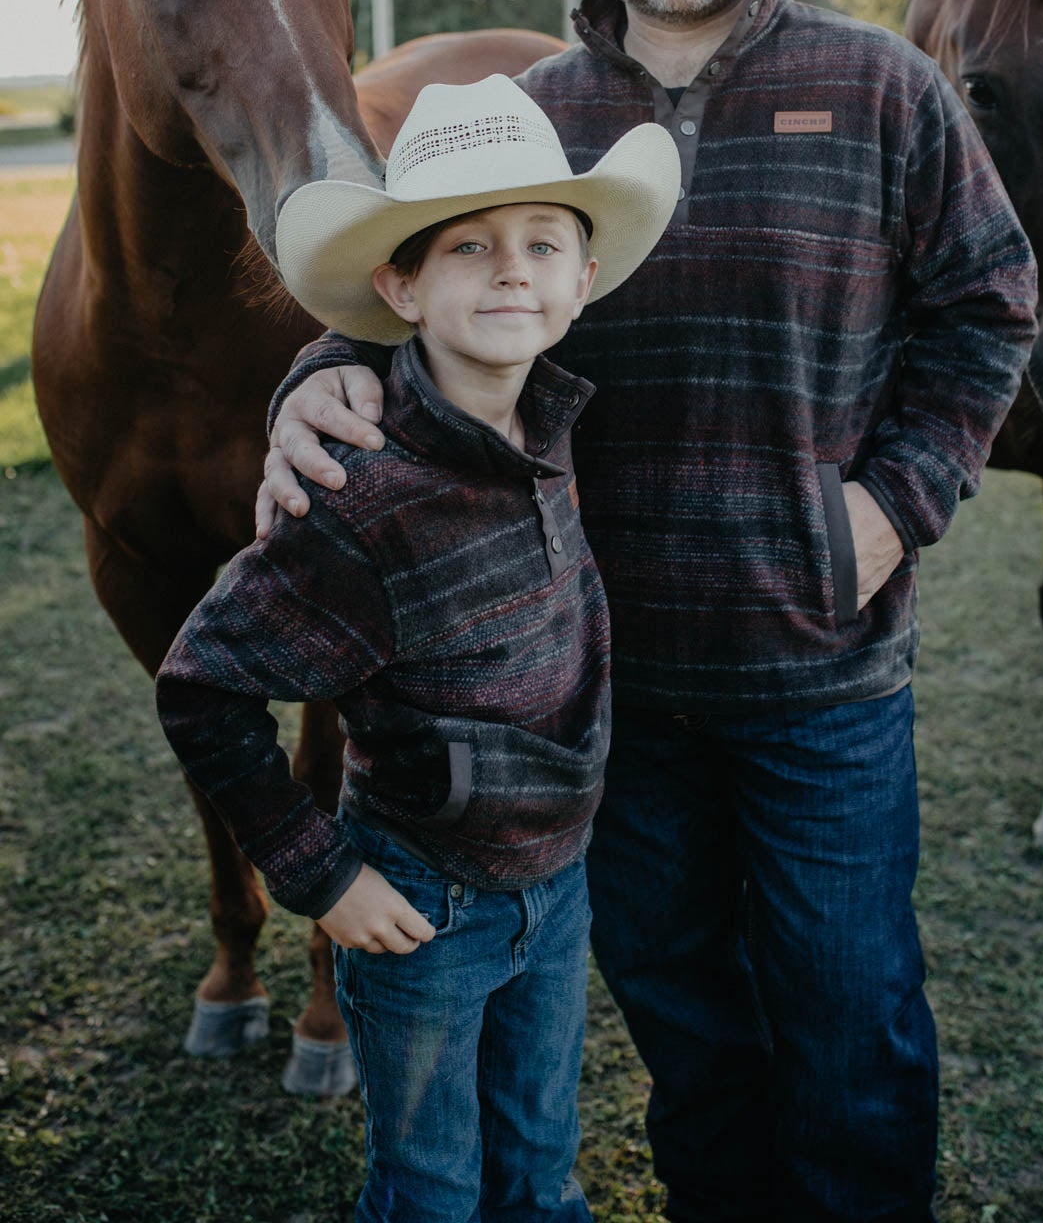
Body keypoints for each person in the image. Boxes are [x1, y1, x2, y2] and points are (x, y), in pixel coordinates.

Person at [257, 0, 1039, 1223]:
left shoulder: (881, 89)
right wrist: (313, 378)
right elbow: (396, 302)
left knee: (854, 1041)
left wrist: (889, 509)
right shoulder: (533, 115)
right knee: (690, 1041)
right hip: (601, 703)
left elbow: (987, 306)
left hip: (826, 686)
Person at [156, 75, 681, 1223]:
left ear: (580, 284)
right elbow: (203, 689)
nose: (512, 271)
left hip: (557, 879)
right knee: (431, 1185)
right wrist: (321, 873)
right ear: (400, 284)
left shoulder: (551, 420)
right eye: (470, 247)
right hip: (423, 905)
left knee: (540, 1160)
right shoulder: (357, 492)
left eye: (544, 244)